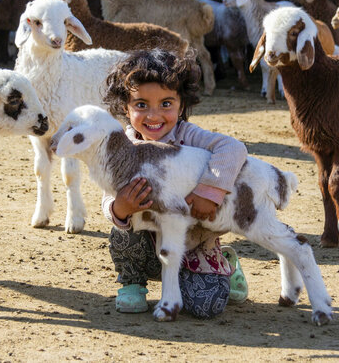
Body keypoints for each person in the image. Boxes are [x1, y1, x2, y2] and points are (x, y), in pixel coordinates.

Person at [101, 49, 249, 319]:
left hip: (193, 244)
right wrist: (119, 208)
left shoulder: (189, 136)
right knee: (121, 229)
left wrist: (209, 191)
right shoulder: (121, 146)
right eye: (141, 105)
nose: (154, 115)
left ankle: (225, 263)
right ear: (125, 106)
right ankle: (132, 281)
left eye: (166, 104)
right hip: (147, 248)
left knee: (207, 306)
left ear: (182, 104)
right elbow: (108, 195)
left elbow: (233, 148)